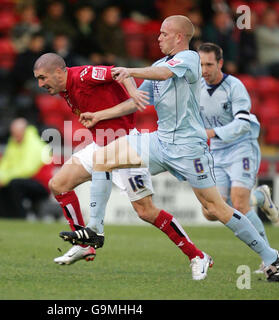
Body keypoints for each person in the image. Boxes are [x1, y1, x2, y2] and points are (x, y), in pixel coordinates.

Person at [63, 15, 279, 282]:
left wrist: (130, 71)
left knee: (215, 209)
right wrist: (100, 115)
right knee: (102, 158)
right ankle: (94, 230)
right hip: (160, 141)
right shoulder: (157, 65)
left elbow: (164, 73)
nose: (158, 37)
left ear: (179, 37)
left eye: (164, 34)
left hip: (190, 148)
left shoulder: (189, 58)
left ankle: (272, 257)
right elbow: (137, 101)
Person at [34, 53, 210, 280]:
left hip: (126, 145)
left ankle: (197, 255)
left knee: (146, 211)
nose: (40, 84)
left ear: (59, 72)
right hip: (100, 146)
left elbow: (119, 71)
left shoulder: (85, 75)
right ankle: (85, 241)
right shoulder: (66, 89)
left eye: (42, 77)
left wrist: (133, 92)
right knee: (59, 184)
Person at [197, 42, 279, 272]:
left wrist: (212, 133)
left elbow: (243, 122)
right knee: (211, 211)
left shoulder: (235, 86)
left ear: (220, 63)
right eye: (201, 64)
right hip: (216, 152)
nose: (204, 69)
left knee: (239, 203)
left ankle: (270, 260)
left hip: (240, 146)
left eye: (209, 64)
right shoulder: (196, 88)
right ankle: (260, 198)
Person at [0, 118, 54, 219]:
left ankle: (20, 217)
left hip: (41, 183)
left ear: (24, 130)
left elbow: (27, 169)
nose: (14, 136)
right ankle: (2, 217)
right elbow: (4, 163)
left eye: (16, 133)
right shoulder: (14, 142)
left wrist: (3, 179)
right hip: (22, 179)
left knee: (15, 184)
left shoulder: (35, 144)